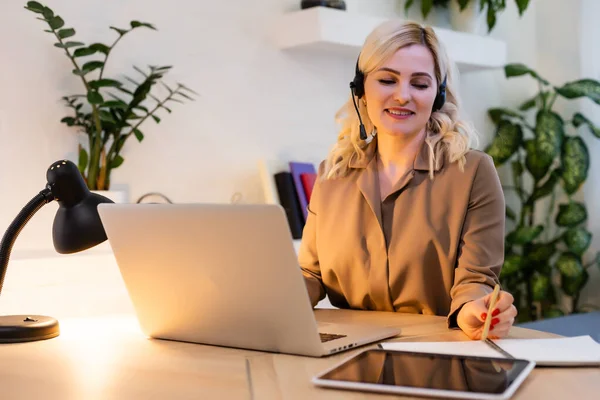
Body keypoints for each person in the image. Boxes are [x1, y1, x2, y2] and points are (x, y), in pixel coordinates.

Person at [298, 20, 517, 340]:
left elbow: (474, 281)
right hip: (345, 348)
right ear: (361, 89)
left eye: (419, 83)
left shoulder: (472, 173)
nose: (402, 96)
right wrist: (269, 296)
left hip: (434, 350)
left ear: (438, 95)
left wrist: (475, 311)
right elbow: (310, 274)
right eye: (387, 80)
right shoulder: (332, 174)